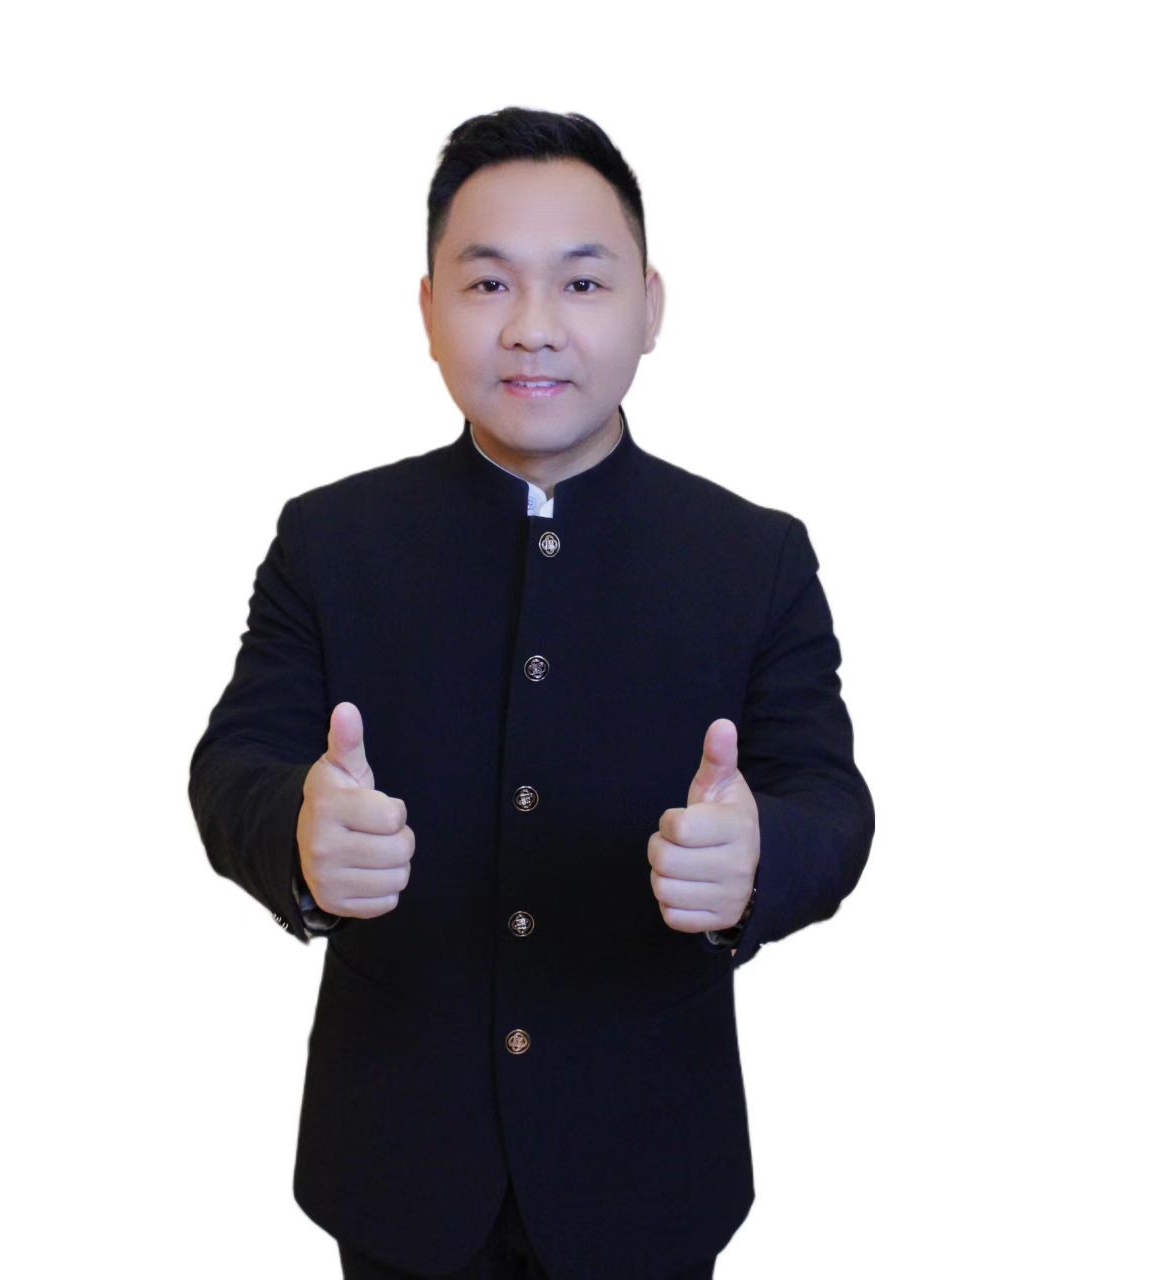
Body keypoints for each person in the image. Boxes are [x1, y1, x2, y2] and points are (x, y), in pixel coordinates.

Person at [188, 106, 874, 1280]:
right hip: (395, 1162)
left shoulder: (752, 555)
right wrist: (295, 834)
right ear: (427, 309)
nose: (533, 327)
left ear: (649, 308)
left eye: (583, 283)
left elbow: (827, 796)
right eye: (488, 283)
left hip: (649, 1165)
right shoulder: (330, 539)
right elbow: (234, 764)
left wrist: (759, 856)